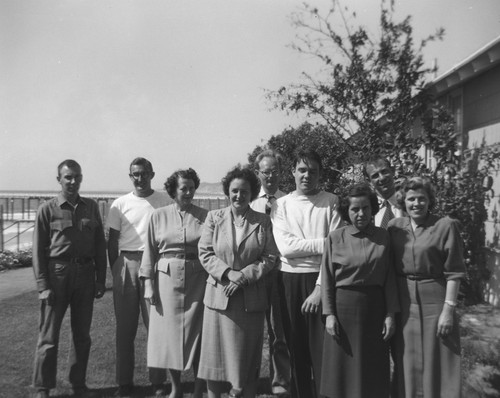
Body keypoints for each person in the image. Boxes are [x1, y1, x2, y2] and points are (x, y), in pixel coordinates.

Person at [197, 166, 279, 398]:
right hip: (218, 300)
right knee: (215, 364)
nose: (238, 196)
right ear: (227, 192)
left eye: (244, 191)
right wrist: (227, 273)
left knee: (246, 364)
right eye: (234, 191)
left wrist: (244, 276)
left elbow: (270, 256)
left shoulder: (262, 221)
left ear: (252, 193)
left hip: (249, 301)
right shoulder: (214, 218)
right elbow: (205, 252)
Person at [32, 160, 106, 398]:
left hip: (85, 275)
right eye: (68, 178)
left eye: (77, 177)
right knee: (49, 336)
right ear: (59, 180)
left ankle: (78, 385)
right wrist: (43, 286)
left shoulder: (92, 207)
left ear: (81, 178)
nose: (73, 182)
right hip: (57, 275)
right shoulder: (47, 209)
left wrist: (100, 279)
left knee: (82, 335)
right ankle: (43, 388)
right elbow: (37, 251)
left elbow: (99, 245)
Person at [271, 149, 342, 398]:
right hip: (289, 280)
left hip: (322, 279)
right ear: (293, 172)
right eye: (302, 170)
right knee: (296, 348)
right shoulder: (281, 204)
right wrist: (323, 243)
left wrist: (320, 287)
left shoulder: (331, 201)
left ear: (320, 173)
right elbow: (286, 248)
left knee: (323, 348)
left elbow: (335, 250)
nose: (307, 175)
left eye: (313, 171)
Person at [388, 177, 465, 398]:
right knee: (407, 360)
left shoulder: (445, 226)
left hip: (436, 300)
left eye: (422, 198)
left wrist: (448, 310)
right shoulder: (395, 228)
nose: (416, 204)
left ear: (430, 200)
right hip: (403, 301)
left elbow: (455, 271)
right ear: (404, 202)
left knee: (439, 358)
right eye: (411, 199)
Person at [320, 183, 399, 398]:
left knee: (371, 368)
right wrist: (329, 315)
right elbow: (326, 278)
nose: (361, 213)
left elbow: (390, 278)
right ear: (347, 211)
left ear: (373, 209)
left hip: (375, 310)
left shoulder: (383, 237)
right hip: (343, 309)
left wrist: (391, 314)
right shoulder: (336, 238)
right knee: (341, 369)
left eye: (365, 208)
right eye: (355, 209)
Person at [140, 168, 208, 398]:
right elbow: (149, 252)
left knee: (200, 334)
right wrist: (148, 284)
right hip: (166, 281)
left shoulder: (206, 216)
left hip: (199, 280)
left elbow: (212, 251)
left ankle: (199, 389)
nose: (188, 192)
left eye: (191, 188)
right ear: (173, 190)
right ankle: (176, 388)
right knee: (170, 336)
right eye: (183, 188)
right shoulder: (157, 216)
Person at [106, 157, 170, 397]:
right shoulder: (120, 204)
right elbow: (112, 242)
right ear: (130, 176)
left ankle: (158, 382)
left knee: (156, 327)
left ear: (152, 174)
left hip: (154, 264)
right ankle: (124, 383)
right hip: (127, 264)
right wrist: (117, 268)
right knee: (125, 329)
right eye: (135, 174)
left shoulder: (164, 200)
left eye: (144, 173)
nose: (140, 178)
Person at [250, 149, 290, 396]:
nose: (271, 176)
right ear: (258, 174)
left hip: (281, 275)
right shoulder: (250, 202)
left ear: (281, 172)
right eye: (266, 171)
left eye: (275, 171)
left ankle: (281, 381)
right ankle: (249, 380)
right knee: (252, 332)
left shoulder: (289, 201)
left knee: (279, 332)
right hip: (255, 276)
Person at [364, 157, 405, 228]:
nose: (382, 178)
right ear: (369, 181)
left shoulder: (407, 202)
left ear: (392, 171)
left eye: (384, 172)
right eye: (375, 175)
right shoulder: (367, 209)